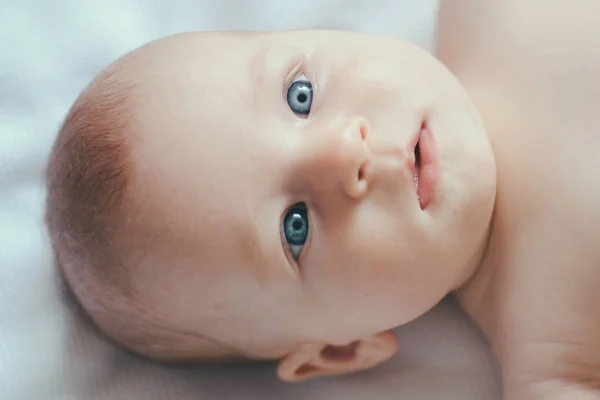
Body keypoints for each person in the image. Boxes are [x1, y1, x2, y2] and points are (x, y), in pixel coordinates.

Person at [45, 3, 600, 397]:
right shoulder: (556, 364)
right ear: (342, 350)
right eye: (296, 227)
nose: (342, 151)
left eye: (300, 96)